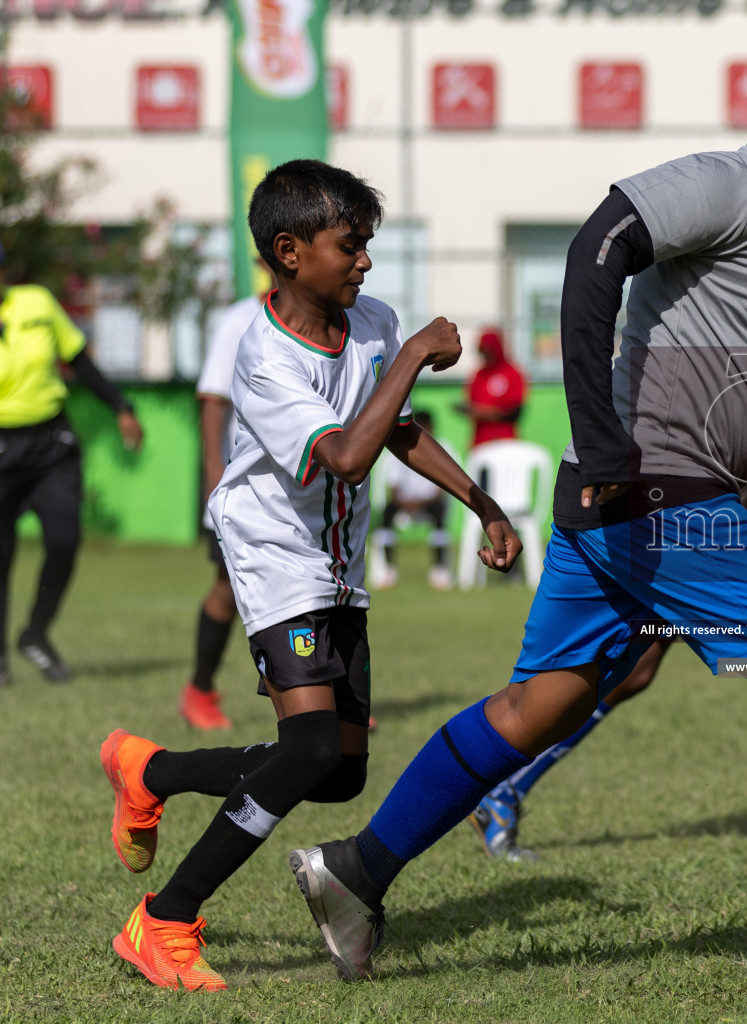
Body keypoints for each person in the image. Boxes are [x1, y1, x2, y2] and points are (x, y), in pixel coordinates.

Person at [285, 22, 747, 1021]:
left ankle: (355, 869)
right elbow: (599, 246)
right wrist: (605, 434)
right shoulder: (740, 181)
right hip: (666, 491)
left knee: (544, 701)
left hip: (617, 501)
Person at [99, 159, 519, 991]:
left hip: (337, 566)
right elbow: (347, 457)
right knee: (310, 750)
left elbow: (394, 431)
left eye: (367, 245)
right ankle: (165, 919)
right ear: (289, 251)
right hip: (271, 557)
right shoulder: (263, 357)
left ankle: (153, 772)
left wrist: (482, 504)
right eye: (350, 246)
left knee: (339, 768)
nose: (365, 262)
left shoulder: (371, 323)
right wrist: (412, 355)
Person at [468, 327, 747, 874]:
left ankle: (502, 794)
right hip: (676, 514)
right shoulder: (726, 308)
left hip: (711, 513)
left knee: (637, 672)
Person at [0, 246, 143, 685]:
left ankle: (36, 633)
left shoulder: (36, 303)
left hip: (51, 444)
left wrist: (121, 406)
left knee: (63, 542)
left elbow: (78, 361)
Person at [178, 282, 263, 729]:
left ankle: (341, 703)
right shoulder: (240, 319)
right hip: (245, 482)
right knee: (229, 585)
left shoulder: (338, 316)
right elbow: (213, 399)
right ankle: (199, 691)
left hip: (311, 485)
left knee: (329, 586)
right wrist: (214, 469)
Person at [373, 408, 454, 591]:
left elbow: (442, 489)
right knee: (386, 514)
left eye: (427, 428)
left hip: (429, 502)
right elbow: (393, 488)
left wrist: (419, 503)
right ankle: (388, 568)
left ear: (433, 428)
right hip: (404, 502)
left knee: (440, 513)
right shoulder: (401, 447)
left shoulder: (444, 448)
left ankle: (439, 569)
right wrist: (405, 504)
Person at [462, 326, 526, 449]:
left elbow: (515, 413)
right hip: (480, 441)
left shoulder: (512, 373)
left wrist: (485, 413)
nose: (484, 355)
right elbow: (471, 404)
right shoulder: (478, 375)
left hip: (505, 440)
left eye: (487, 350)